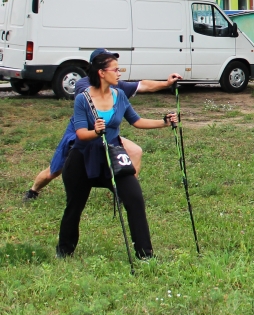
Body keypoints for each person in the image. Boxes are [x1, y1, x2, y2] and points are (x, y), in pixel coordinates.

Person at [56, 51, 178, 260]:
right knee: (74, 207)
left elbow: (136, 121)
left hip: (112, 156)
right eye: (115, 69)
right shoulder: (83, 99)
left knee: (135, 199)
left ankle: (145, 255)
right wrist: (95, 131)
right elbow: (80, 134)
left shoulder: (119, 95)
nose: (119, 73)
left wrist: (164, 122)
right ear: (102, 73)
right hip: (82, 159)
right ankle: (64, 251)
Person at [23, 48, 182, 202]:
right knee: (54, 171)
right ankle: (33, 190)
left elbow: (143, 86)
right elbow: (89, 102)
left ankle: (124, 192)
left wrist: (166, 84)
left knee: (135, 151)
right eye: (111, 66)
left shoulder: (116, 86)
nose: (117, 71)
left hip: (105, 135)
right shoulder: (83, 85)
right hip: (80, 135)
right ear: (99, 69)